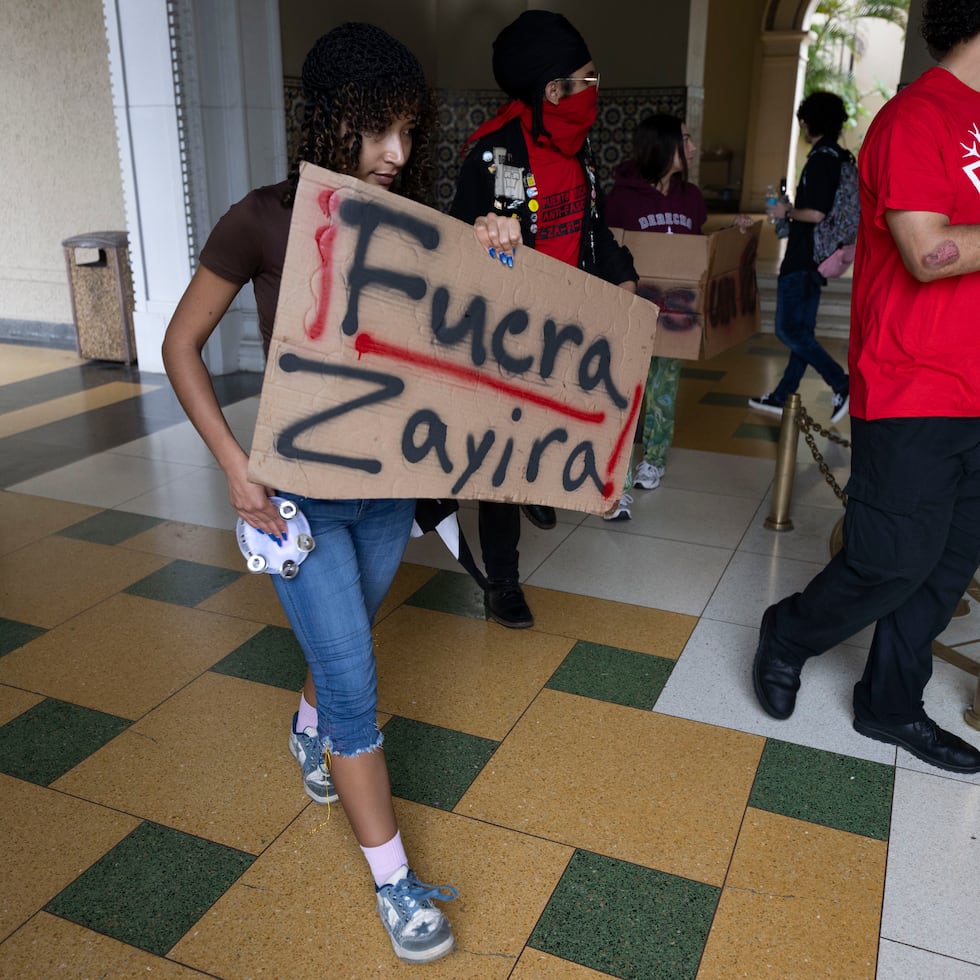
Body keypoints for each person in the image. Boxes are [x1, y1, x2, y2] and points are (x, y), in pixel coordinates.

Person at [161, 23, 458, 964]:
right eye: (378, 131)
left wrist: (493, 245)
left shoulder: (416, 224)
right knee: (354, 686)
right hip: (294, 501)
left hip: (386, 495)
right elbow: (179, 346)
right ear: (329, 120)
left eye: (409, 132)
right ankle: (397, 885)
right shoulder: (258, 220)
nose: (397, 156)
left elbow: (471, 332)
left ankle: (306, 726)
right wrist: (234, 466)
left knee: (347, 642)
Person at [752, 0, 980, 775]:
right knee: (891, 557)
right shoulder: (918, 118)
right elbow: (930, 251)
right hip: (917, 379)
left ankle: (889, 704)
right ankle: (788, 631)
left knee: (948, 563)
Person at [450, 9, 638, 623]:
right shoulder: (490, 157)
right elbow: (456, 249)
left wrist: (624, 278)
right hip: (506, 337)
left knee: (557, 428)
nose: (595, 86)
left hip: (567, 331)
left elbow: (593, 231)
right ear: (552, 91)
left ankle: (540, 487)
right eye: (588, 77)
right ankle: (503, 579)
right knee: (502, 459)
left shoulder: (580, 152)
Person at [604, 114, 752, 519]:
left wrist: (733, 230)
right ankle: (617, 476)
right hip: (633, 313)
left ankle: (654, 459)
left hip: (676, 317)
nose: (691, 147)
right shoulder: (620, 199)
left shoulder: (691, 197)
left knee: (663, 391)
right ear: (662, 146)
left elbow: (697, 249)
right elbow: (608, 251)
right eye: (684, 140)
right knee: (627, 394)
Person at [748, 91, 851, 424]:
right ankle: (781, 396)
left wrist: (785, 210)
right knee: (802, 331)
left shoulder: (822, 159)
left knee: (787, 330)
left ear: (808, 122)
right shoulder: (839, 156)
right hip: (818, 257)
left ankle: (841, 382)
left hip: (804, 258)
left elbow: (817, 213)